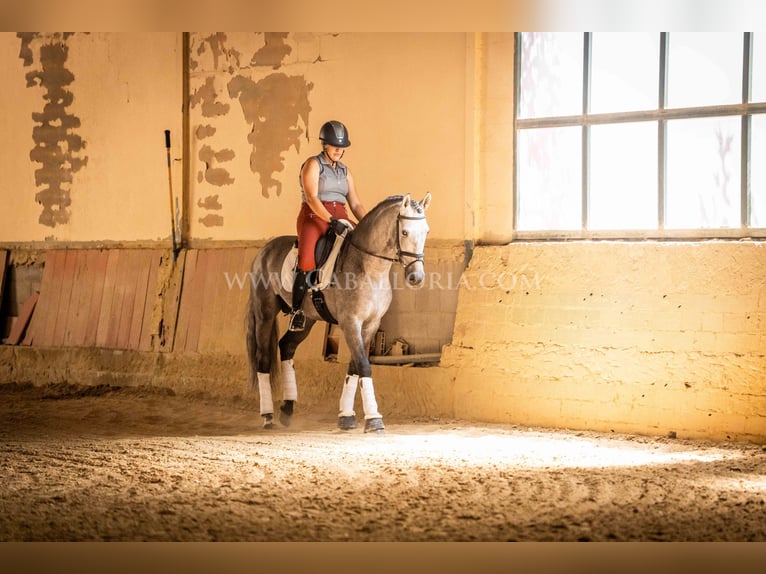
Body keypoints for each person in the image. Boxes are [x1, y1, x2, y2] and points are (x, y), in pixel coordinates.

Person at [288, 120, 367, 331]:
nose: (339, 151)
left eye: (342, 147)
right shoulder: (313, 165)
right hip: (314, 216)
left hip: (341, 215)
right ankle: (297, 311)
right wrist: (330, 221)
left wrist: (367, 224)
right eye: (335, 146)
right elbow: (312, 198)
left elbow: (356, 204)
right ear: (325, 145)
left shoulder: (345, 171)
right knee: (306, 258)